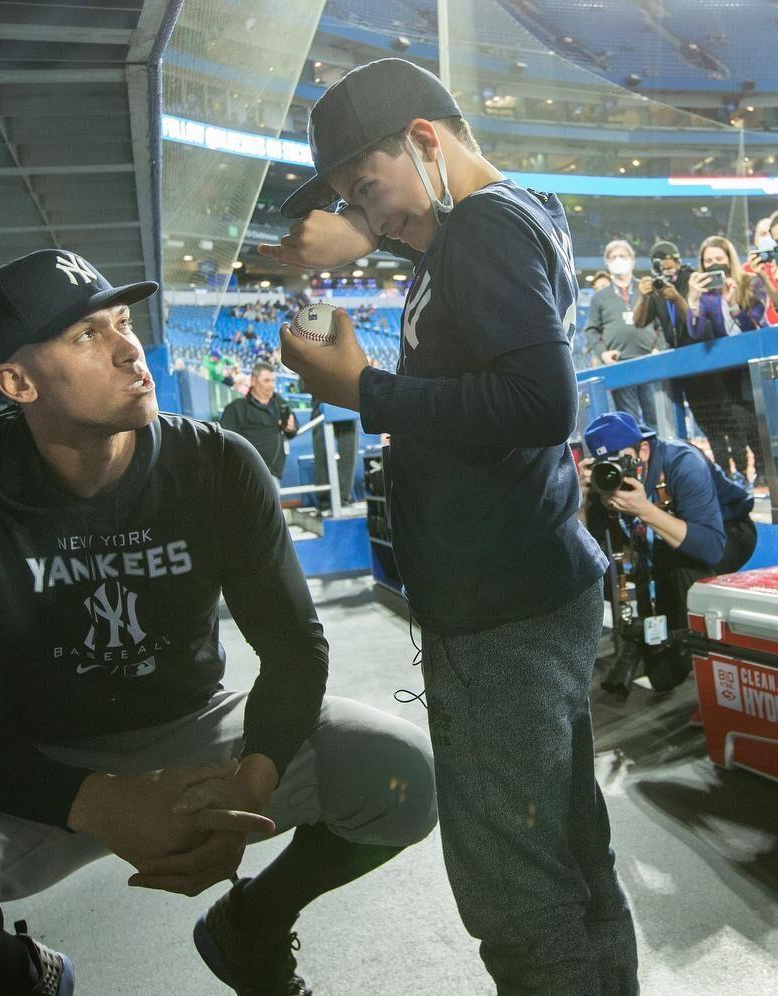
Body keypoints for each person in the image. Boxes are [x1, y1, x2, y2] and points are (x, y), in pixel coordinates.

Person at [0, 249, 437, 996]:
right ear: (17, 381)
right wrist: (99, 800)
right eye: (84, 337)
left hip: (199, 727)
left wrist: (255, 783)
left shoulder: (218, 466)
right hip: (35, 762)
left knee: (403, 777)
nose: (129, 348)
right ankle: (20, 977)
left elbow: (295, 649)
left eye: (123, 323)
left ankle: (251, 927)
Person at [259, 58, 638, 996]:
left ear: (424, 140)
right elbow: (463, 301)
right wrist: (357, 240)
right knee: (570, 862)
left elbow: (540, 402)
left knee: (514, 891)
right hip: (523, 590)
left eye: (368, 187)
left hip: (501, 607)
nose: (371, 212)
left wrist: (367, 391)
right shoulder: (492, 226)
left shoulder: (484, 229)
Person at [580, 412, 756, 694]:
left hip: (727, 532)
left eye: (621, 459)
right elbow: (590, 560)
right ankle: (638, 638)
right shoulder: (603, 485)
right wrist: (584, 502)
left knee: (686, 570)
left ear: (644, 449)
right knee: (663, 677)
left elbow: (711, 548)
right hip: (658, 545)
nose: (614, 471)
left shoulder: (683, 463)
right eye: (604, 465)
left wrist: (644, 511)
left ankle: (710, 683)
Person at [688, 236, 767, 490]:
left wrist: (733, 303)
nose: (713, 265)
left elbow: (753, 328)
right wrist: (692, 299)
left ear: (729, 259)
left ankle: (768, 471)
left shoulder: (749, 284)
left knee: (761, 419)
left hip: (755, 366)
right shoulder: (706, 297)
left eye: (718, 259)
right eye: (708, 260)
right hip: (728, 373)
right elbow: (696, 334)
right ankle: (754, 473)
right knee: (742, 423)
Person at [584, 239, 663, 425]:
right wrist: (603, 353)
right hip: (620, 364)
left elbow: (661, 324)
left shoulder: (647, 289)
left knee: (655, 418)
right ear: (606, 262)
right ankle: (634, 453)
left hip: (649, 361)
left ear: (632, 260)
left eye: (623, 256)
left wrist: (659, 348)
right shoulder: (599, 297)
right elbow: (591, 330)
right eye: (613, 257)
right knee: (629, 421)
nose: (618, 260)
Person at [219, 360, 298, 493]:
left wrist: (292, 427)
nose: (271, 385)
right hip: (246, 476)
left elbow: (293, 427)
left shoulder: (280, 404)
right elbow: (224, 441)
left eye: (273, 381)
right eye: (266, 380)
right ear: (254, 381)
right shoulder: (237, 408)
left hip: (272, 474)